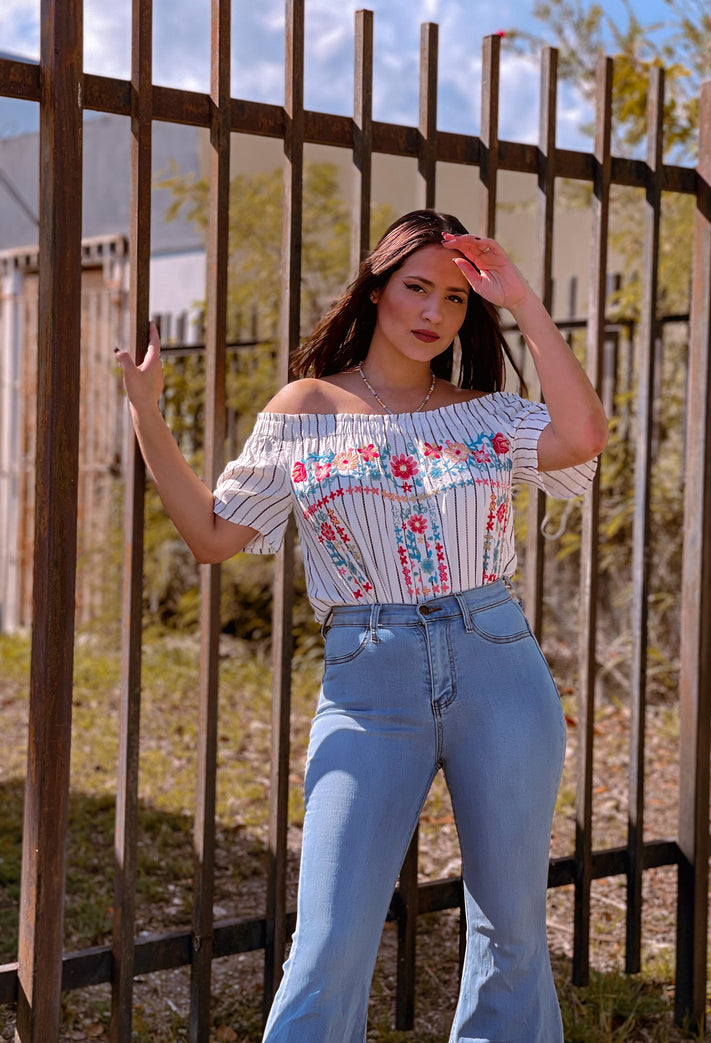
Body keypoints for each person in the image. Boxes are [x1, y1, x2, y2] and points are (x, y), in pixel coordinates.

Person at [116, 209, 608, 1043]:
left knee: (513, 933)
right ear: (376, 289)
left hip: (498, 663)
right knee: (331, 941)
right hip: (368, 676)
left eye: (455, 299)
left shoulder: (482, 412)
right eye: (417, 288)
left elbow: (583, 434)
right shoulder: (307, 408)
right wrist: (146, 411)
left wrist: (520, 299)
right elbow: (210, 535)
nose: (434, 313)